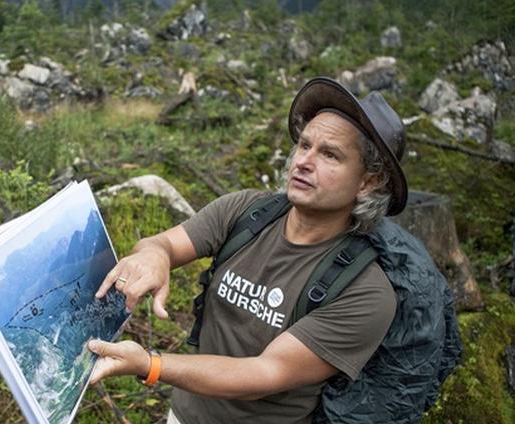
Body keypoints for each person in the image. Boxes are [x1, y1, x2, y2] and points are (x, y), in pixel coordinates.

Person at [88, 76, 409, 424]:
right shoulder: (247, 211)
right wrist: (154, 255)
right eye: (304, 145)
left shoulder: (365, 293)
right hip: (183, 415)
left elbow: (264, 374)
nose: (303, 161)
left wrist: (150, 365)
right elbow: (164, 243)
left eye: (330, 154)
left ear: (369, 181)